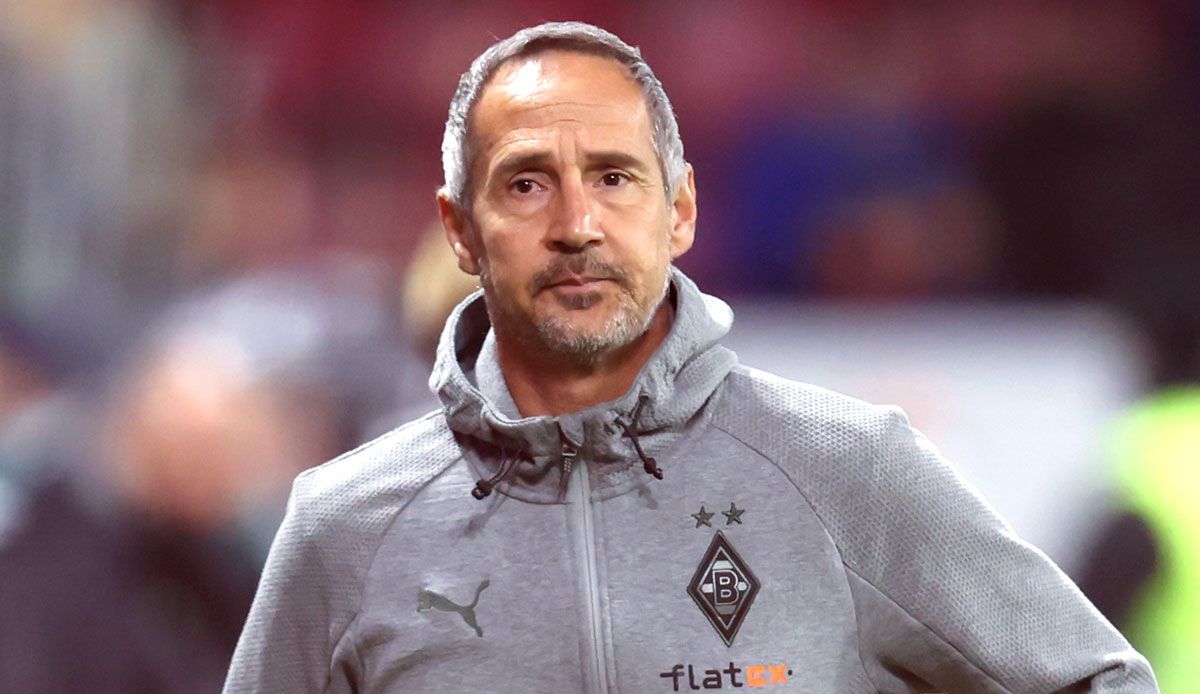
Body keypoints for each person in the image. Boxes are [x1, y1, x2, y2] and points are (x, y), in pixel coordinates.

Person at [224, 22, 1156, 693]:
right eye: (527, 184)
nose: (577, 224)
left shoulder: (845, 469)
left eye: (615, 177)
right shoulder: (345, 529)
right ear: (460, 230)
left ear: (680, 213)